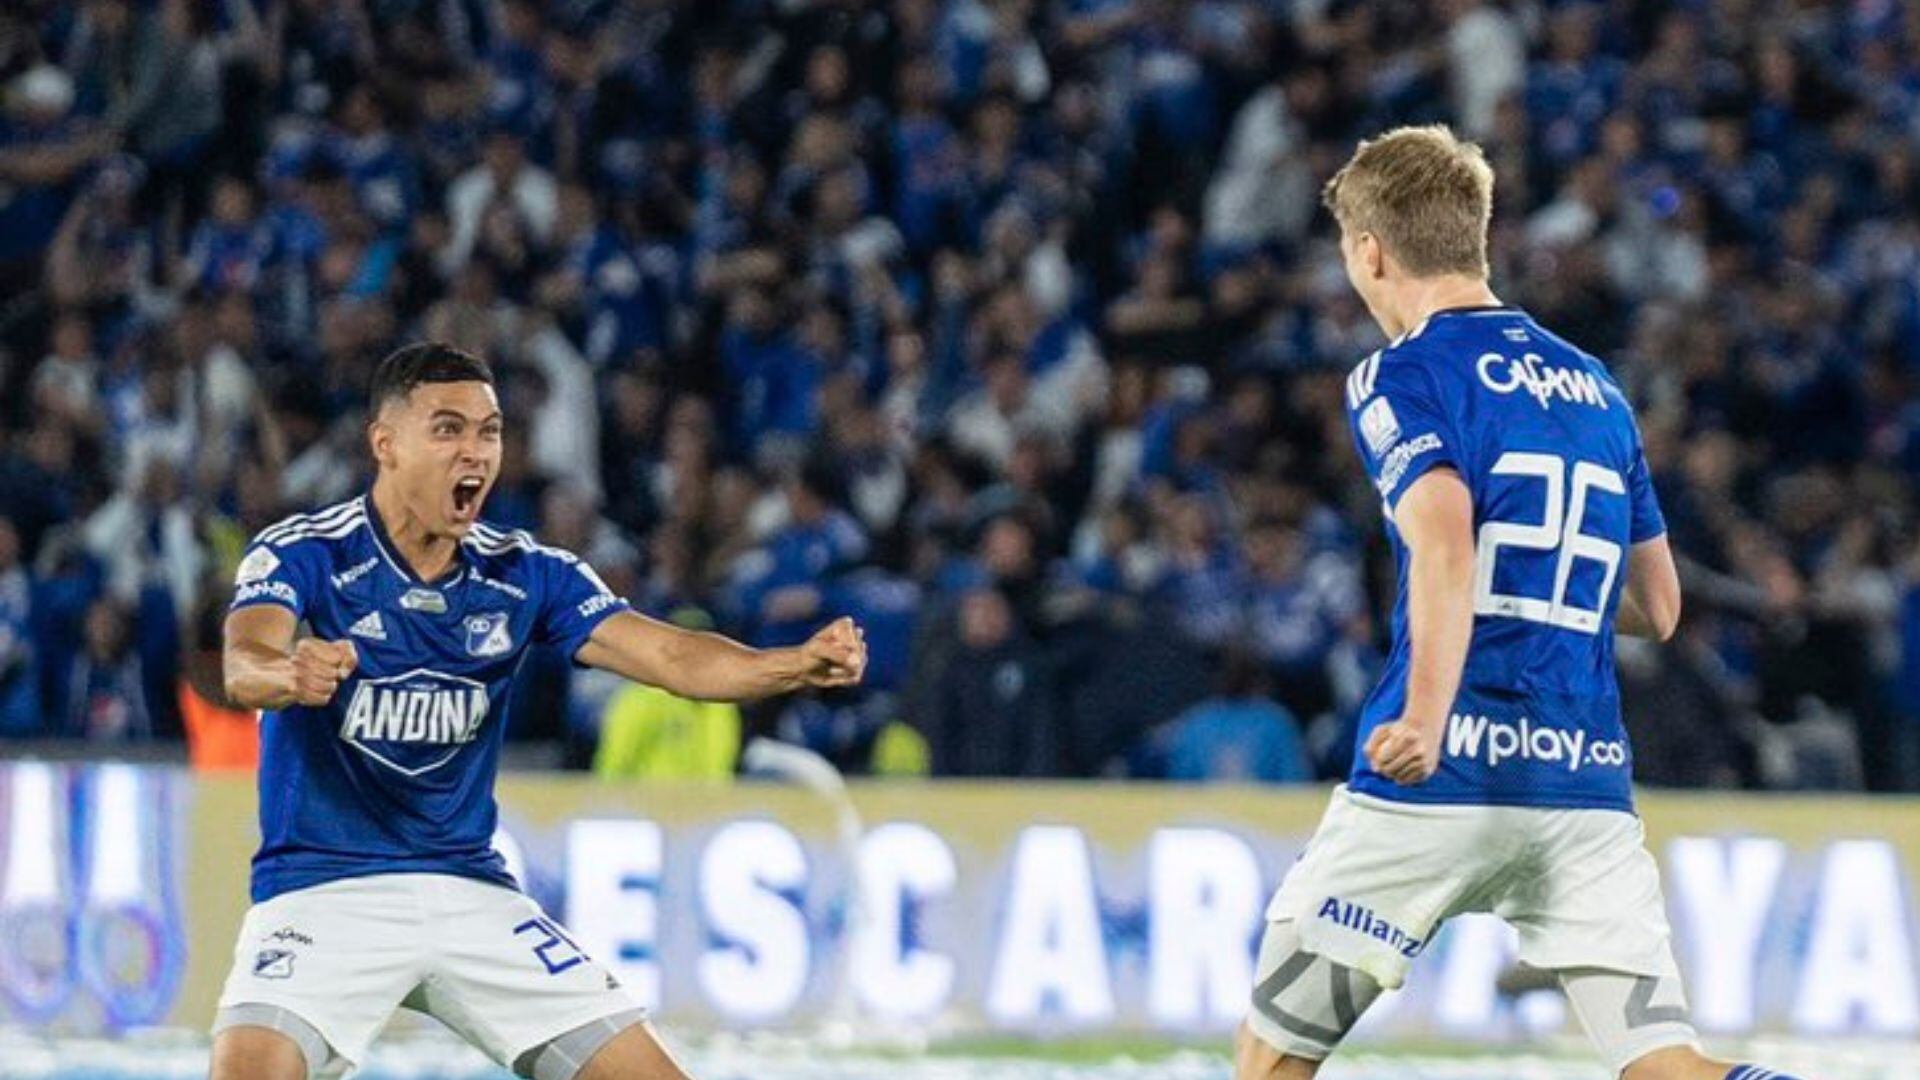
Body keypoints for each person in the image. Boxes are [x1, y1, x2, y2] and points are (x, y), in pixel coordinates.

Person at [1235, 127, 1799, 1080]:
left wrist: (1424, 715)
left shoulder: (1400, 374)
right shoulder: (1597, 389)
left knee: (1271, 1062)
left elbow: (1446, 544)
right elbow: (1658, 606)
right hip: (1582, 788)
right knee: (1672, 1069)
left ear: (1370, 251)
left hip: (1438, 786)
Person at [212, 343, 867, 1080]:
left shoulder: (527, 573)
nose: (476, 453)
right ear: (385, 445)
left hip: (469, 888)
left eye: (489, 433)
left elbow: (670, 658)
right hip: (323, 890)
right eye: (449, 430)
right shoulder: (305, 552)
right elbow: (244, 662)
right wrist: (287, 672)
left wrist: (792, 664)